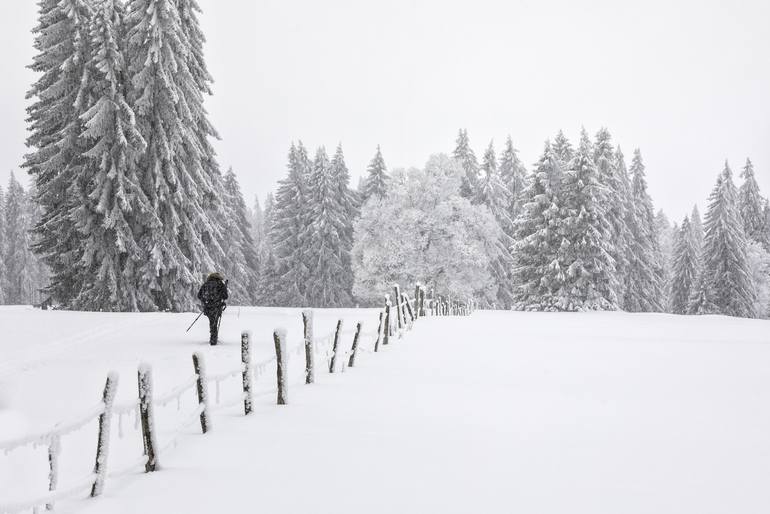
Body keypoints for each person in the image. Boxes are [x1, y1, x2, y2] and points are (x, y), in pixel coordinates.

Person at [197, 272, 229, 345]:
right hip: (217, 307)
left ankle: (213, 336)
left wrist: (205, 301)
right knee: (214, 322)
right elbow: (225, 296)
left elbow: (199, 295)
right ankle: (213, 339)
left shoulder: (205, 284)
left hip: (208, 307)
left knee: (212, 322)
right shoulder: (220, 284)